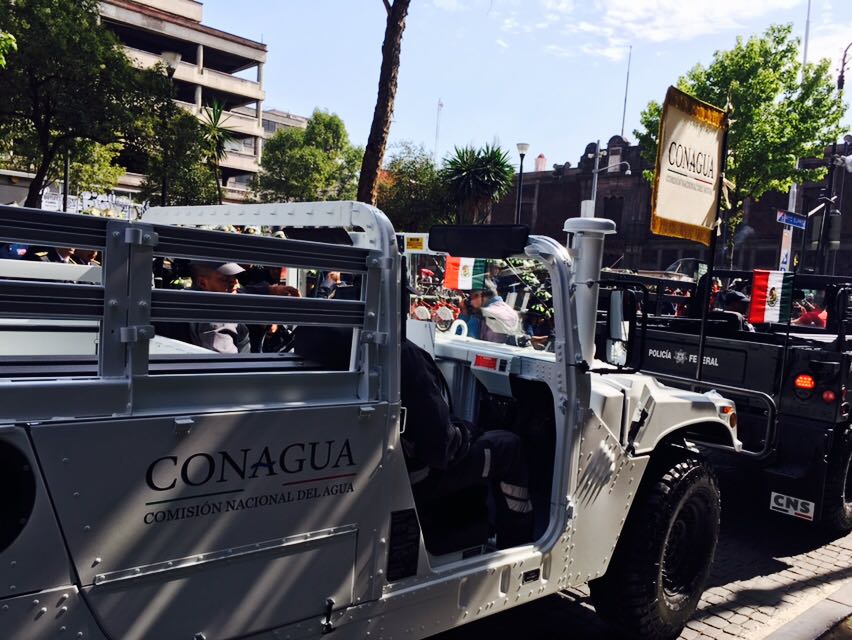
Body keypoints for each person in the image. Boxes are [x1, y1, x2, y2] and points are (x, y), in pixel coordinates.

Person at [401, 339, 534, 549]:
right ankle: (516, 546)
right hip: (420, 478)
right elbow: (441, 447)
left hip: (395, 475)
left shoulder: (361, 343)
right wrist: (467, 432)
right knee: (509, 447)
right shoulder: (405, 354)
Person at [187, 262, 251, 353]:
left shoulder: (186, 300)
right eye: (225, 279)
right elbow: (225, 359)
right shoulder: (218, 316)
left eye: (234, 277)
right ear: (202, 283)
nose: (235, 283)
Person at [459, 278, 522, 343]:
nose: (471, 302)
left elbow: (461, 339)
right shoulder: (509, 311)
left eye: (471, 298)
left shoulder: (484, 314)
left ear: (479, 295)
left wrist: (464, 313)